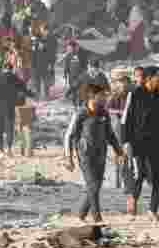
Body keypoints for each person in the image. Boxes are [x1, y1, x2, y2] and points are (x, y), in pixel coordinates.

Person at [65, 83, 125, 223]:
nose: (104, 98)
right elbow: (70, 136)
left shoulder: (103, 113)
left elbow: (110, 135)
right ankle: (97, 217)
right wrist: (69, 158)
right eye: (101, 96)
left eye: (104, 95)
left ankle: (81, 214)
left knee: (96, 186)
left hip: (101, 154)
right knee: (93, 185)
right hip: (85, 155)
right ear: (92, 97)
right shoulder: (81, 113)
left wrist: (119, 151)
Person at [123, 66, 159, 220]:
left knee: (157, 175)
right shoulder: (135, 94)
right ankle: (132, 206)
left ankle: (152, 210)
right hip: (137, 142)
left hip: (156, 141)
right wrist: (125, 142)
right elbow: (126, 119)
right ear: (149, 78)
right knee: (139, 174)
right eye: (158, 77)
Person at [0, 63, 33, 157]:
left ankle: (1, 150)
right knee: (9, 128)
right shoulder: (15, 78)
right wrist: (32, 95)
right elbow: (24, 90)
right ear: (12, 69)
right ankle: (9, 149)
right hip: (10, 107)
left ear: (3, 69)